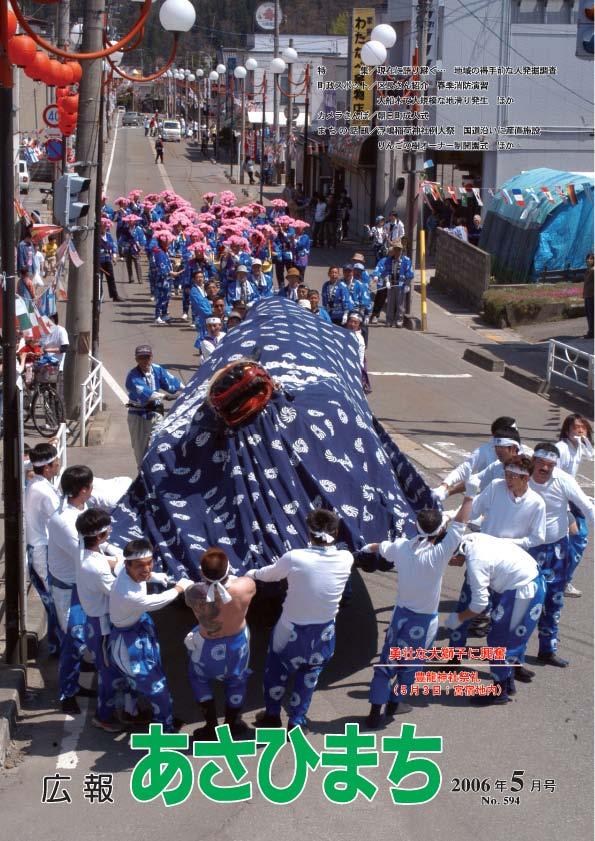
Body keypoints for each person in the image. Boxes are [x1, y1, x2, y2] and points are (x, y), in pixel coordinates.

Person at [359, 491, 473, 727]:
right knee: (411, 665)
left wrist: (362, 548)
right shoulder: (440, 554)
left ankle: (373, 713)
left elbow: (377, 547)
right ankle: (394, 703)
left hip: (399, 617)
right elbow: (460, 524)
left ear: (416, 526)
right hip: (424, 622)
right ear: (439, 531)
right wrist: (469, 497)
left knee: (387, 661)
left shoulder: (401, 547)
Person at [245, 509, 353, 731]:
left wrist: (251, 574)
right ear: (336, 532)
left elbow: (268, 574)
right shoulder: (346, 558)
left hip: (290, 628)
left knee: (276, 670)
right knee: (309, 677)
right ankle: (296, 720)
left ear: (309, 532)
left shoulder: (295, 557)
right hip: (324, 632)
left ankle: (272, 715)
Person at [444, 532, 546, 704]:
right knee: (508, 640)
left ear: (454, 554)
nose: (449, 564)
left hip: (523, 590)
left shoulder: (476, 562)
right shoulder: (472, 538)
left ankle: (499, 692)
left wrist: (459, 619)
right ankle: (508, 683)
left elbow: (479, 605)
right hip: (524, 581)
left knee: (500, 642)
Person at [109, 538, 193, 733]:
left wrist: (156, 577)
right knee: (156, 686)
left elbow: (147, 575)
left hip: (136, 629)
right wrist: (179, 588)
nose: (146, 569)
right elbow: (157, 601)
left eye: (149, 563)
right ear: (127, 565)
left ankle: (132, 712)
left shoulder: (125, 569)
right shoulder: (129, 594)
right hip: (128, 644)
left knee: (134, 680)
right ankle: (165, 727)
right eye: (140, 566)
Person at [528, 442, 594, 667]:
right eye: (541, 463)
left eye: (550, 464)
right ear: (533, 461)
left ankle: (547, 650)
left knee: (553, 602)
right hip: (525, 550)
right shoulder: (519, 477)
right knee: (524, 603)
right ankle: (512, 657)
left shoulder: (564, 480)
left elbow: (587, 507)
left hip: (556, 550)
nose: (545, 468)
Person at [184, 547, 257, 739]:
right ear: (228, 569)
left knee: (199, 679)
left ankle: (210, 726)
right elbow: (249, 579)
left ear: (202, 572)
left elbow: (193, 593)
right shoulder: (246, 586)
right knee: (237, 681)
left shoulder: (192, 593)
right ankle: (231, 725)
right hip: (236, 645)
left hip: (207, 646)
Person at [47, 466, 97, 714]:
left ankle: (77, 684)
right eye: (90, 485)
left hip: (82, 584)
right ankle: (67, 692)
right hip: (68, 590)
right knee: (74, 640)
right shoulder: (64, 521)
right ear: (83, 489)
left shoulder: (81, 509)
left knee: (88, 637)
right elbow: (84, 555)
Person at [24, 443, 61, 654]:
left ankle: (56, 643)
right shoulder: (44, 491)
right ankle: (57, 645)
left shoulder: (35, 484)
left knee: (52, 601)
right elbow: (59, 521)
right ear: (46, 468)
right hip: (42, 552)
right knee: (56, 601)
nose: (58, 464)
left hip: (36, 549)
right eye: (55, 462)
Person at [432, 418, 522, 501]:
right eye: (497, 447)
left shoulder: (526, 467)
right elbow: (468, 474)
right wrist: (445, 489)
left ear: (514, 448)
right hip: (485, 503)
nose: (497, 450)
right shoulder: (493, 463)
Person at [556, 414, 594, 597]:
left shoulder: (578, 445)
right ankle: (560, 581)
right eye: (575, 427)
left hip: (571, 498)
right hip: (559, 500)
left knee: (578, 540)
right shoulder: (561, 449)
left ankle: (563, 580)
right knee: (574, 539)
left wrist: (585, 440)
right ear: (566, 430)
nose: (579, 430)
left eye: (583, 427)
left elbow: (591, 454)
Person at [125, 344, 181, 467]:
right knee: (140, 449)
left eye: (147, 357)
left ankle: (161, 468)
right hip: (138, 414)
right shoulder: (132, 376)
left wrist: (186, 388)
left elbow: (172, 382)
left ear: (151, 357)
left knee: (161, 441)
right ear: (136, 359)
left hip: (156, 411)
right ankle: (142, 475)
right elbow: (146, 393)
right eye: (141, 358)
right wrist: (164, 397)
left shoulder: (157, 369)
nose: (145, 360)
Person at [384, 240, 414, 328]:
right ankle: (389, 320)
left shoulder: (406, 260)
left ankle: (399, 321)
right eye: (396, 249)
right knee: (390, 303)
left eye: (399, 249)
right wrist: (387, 281)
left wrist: (407, 284)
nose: (397, 251)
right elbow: (386, 271)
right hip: (391, 284)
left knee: (400, 304)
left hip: (401, 285)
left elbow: (410, 273)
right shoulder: (389, 260)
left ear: (402, 250)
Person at [99, 218, 123, 302]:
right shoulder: (96, 237)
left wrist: (114, 256)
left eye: (106, 226)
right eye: (103, 226)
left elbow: (113, 246)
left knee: (111, 278)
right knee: (99, 279)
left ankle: (114, 295)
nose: (104, 228)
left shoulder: (108, 235)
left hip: (107, 260)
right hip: (99, 261)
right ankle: (99, 296)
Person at [583, 252, 594, 339]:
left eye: (590, 258)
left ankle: (592, 332)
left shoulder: (593, 270)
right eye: (587, 258)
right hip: (587, 295)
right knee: (588, 314)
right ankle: (591, 331)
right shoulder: (588, 270)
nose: (588, 260)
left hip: (592, 295)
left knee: (592, 315)